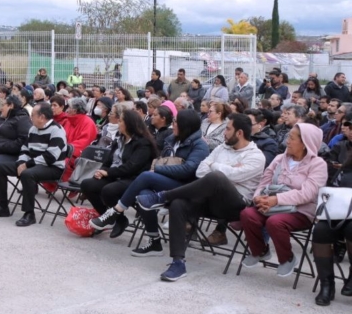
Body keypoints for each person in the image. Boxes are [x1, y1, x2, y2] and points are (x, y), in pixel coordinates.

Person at [136, 113, 266, 281]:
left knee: (216, 178)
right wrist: (226, 168)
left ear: (239, 133)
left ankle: (162, 196)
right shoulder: (221, 148)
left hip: (234, 205)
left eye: (227, 129)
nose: (223, 133)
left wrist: (217, 167)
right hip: (209, 200)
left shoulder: (256, 156)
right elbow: (200, 171)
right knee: (178, 204)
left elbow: (226, 175)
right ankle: (178, 262)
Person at [91, 110, 209, 245]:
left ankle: (116, 211)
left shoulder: (200, 145)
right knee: (143, 196)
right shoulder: (172, 140)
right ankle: (154, 241)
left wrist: (158, 169)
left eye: (176, 122)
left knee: (146, 175)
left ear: (185, 125)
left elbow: (188, 170)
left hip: (186, 187)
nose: (173, 125)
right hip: (168, 182)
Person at [239, 123, 328, 277]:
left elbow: (307, 194)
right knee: (248, 214)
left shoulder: (318, 164)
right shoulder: (280, 158)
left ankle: (287, 259)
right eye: (288, 137)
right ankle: (260, 250)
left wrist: (276, 199)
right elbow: (264, 181)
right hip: (271, 205)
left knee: (275, 222)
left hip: (300, 211)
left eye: (292, 138)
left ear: (305, 143)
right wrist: (258, 197)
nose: (287, 141)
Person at [0, 102, 68, 226]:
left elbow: (50, 157)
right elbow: (24, 149)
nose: (30, 118)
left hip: (53, 167)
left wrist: (27, 165)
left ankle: (29, 214)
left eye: (32, 115)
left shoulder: (57, 130)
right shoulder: (33, 129)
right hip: (33, 164)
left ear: (42, 117)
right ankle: (3, 207)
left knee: (28, 174)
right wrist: (21, 162)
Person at [79, 110, 157, 220]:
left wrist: (107, 172)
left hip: (133, 179)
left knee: (109, 190)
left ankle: (115, 219)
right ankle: (109, 217)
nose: (118, 123)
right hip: (115, 175)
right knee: (87, 184)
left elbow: (132, 167)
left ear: (129, 123)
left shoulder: (143, 143)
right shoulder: (119, 139)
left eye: (120, 121)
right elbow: (108, 161)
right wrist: (101, 171)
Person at [313, 150, 352, 305]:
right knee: (320, 230)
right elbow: (333, 191)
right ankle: (327, 284)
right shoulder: (346, 168)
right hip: (339, 213)